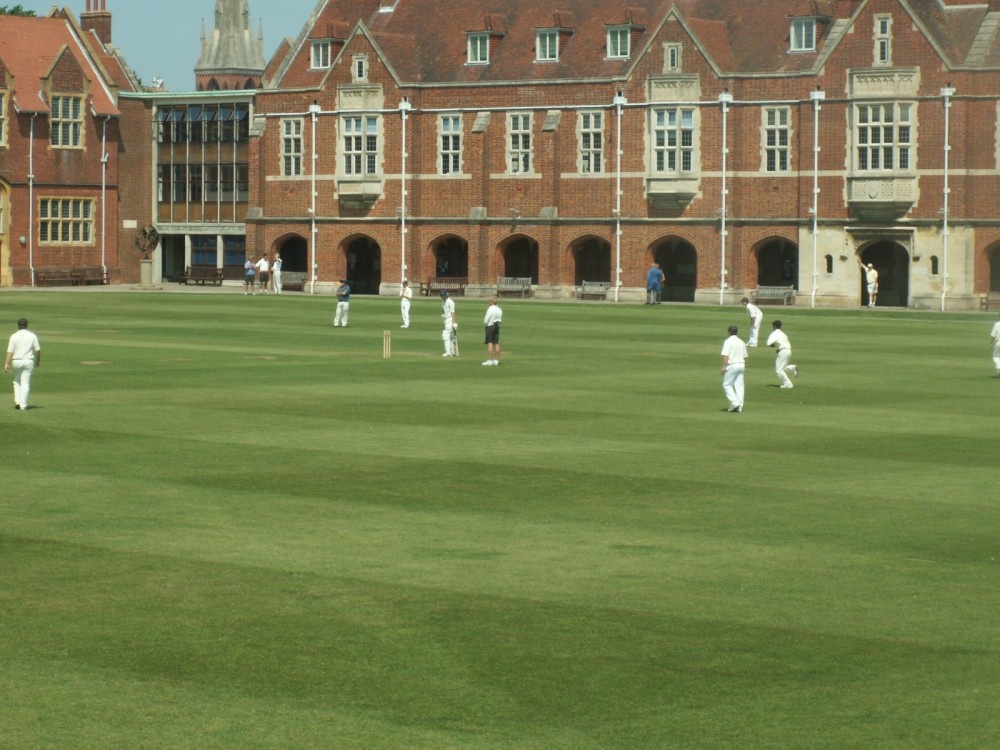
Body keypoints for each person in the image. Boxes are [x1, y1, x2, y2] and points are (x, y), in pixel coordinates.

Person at [5, 317, 41, 411]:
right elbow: (37, 350)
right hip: (28, 361)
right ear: (26, 325)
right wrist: (38, 361)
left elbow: (10, 351)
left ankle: (17, 402)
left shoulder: (14, 336)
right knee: (25, 383)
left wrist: (7, 363)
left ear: (18, 326)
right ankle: (23, 405)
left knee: (16, 381)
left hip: (16, 361)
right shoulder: (32, 335)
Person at [720, 324, 747, 413]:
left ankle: (735, 403)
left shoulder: (728, 341)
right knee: (739, 386)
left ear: (729, 332)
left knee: (726, 385)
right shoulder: (741, 342)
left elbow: (726, 355)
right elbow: (745, 355)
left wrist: (724, 366)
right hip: (741, 364)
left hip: (732, 365)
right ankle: (739, 406)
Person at [766, 319, 798, 389]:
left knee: (779, 370)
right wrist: (779, 349)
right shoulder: (783, 334)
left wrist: (775, 347)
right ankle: (792, 367)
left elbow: (768, 343)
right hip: (788, 350)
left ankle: (788, 384)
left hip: (783, 351)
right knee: (782, 369)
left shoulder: (774, 333)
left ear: (774, 326)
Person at [482, 297, 502, 366]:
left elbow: (485, 320)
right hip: (497, 326)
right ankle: (496, 360)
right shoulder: (499, 309)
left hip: (490, 326)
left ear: (491, 302)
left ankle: (490, 360)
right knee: (496, 342)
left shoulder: (490, 309)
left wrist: (485, 323)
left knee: (490, 342)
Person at [440, 289, 457, 357]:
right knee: (450, 336)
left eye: (444, 296)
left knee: (445, 335)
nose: (443, 297)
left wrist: (454, 323)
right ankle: (452, 352)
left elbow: (453, 312)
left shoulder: (451, 302)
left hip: (450, 320)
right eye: (442, 296)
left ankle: (448, 352)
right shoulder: (442, 302)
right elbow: (443, 310)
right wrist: (444, 314)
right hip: (446, 320)